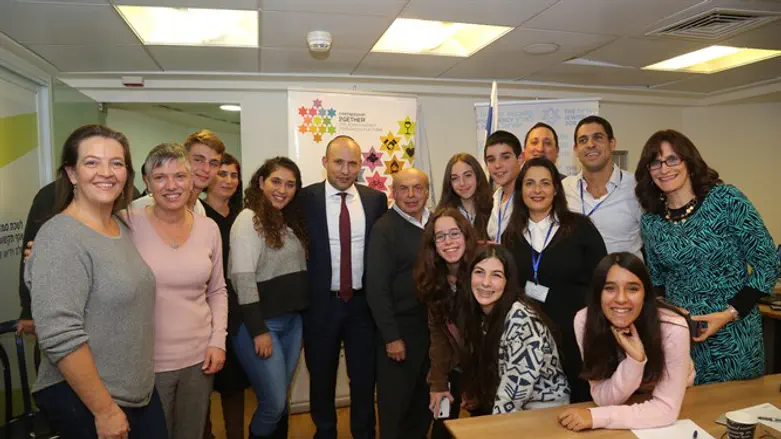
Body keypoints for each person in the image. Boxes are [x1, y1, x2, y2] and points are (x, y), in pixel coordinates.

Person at [25, 124, 167, 438]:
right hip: (89, 399)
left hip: (136, 391)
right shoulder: (60, 237)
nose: (106, 172)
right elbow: (60, 334)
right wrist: (104, 411)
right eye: (92, 162)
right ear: (72, 173)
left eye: (116, 163)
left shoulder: (120, 226)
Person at [635, 129, 780, 384]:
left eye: (672, 159)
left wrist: (729, 313)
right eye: (655, 162)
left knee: (735, 414)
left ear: (689, 162)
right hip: (682, 337)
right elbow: (656, 279)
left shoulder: (726, 200)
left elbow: (767, 262)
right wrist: (665, 311)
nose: (664, 169)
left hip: (733, 334)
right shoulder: (652, 221)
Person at [129, 143, 228, 439]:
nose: (171, 186)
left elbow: (218, 290)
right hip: (147, 362)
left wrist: (218, 340)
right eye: (160, 177)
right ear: (147, 183)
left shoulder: (209, 228)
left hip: (200, 361)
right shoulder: (126, 224)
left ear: (191, 180)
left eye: (179, 176)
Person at [300, 135, 387, 439]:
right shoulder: (303, 199)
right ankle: (325, 433)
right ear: (325, 162)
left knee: (364, 378)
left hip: (363, 306)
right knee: (320, 377)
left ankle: (364, 433)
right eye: (338, 162)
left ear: (360, 165)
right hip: (321, 305)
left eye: (352, 163)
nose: (345, 170)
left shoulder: (375, 200)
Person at [503, 157, 607, 403]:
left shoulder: (580, 227)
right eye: (529, 183)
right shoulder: (511, 235)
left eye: (545, 183)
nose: (537, 190)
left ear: (556, 189)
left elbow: (602, 280)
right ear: (521, 191)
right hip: (531, 339)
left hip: (576, 337)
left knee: (580, 404)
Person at [558, 252, 695, 431]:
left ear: (645, 294)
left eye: (632, 288)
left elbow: (666, 409)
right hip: (625, 402)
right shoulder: (584, 320)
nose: (621, 299)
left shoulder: (674, 327)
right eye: (610, 288)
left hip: (675, 399)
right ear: (598, 293)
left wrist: (596, 417)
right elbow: (603, 398)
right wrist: (634, 361)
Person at [229, 157, 310, 439]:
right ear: (261, 182)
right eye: (276, 181)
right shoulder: (247, 220)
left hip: (291, 324)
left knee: (280, 403)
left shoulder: (286, 221)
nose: (282, 190)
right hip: (262, 326)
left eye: (290, 184)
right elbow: (243, 278)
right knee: (273, 404)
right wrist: (258, 329)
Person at [460, 244, 570, 414]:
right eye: (479, 272)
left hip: (544, 412)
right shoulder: (479, 313)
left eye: (496, 275)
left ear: (508, 281)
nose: (485, 282)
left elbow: (513, 396)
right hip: (509, 409)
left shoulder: (522, 321)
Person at [367, 168, 432, 439]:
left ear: (427, 192)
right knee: (395, 409)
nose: (411, 195)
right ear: (393, 193)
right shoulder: (385, 228)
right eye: (403, 189)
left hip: (432, 331)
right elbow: (376, 288)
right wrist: (391, 337)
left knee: (423, 405)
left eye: (417, 188)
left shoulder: (436, 224)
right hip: (400, 333)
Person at [412, 207, 477, 439]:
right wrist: (438, 384)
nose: (448, 241)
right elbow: (438, 337)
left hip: (488, 368)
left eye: (454, 233)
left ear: (466, 236)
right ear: (433, 244)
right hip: (456, 366)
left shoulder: (482, 273)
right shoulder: (434, 280)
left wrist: (473, 384)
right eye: (441, 236)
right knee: (442, 428)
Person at [203, 153, 249, 439]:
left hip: (237, 311)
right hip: (203, 312)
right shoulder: (195, 215)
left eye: (234, 175)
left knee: (234, 384)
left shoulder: (242, 217)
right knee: (202, 389)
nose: (229, 180)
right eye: (222, 174)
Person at [563, 116, 643, 257]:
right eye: (583, 140)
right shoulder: (564, 189)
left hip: (624, 277)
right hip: (578, 278)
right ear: (576, 149)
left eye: (598, 138)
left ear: (612, 143)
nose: (590, 145)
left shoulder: (637, 187)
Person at [132, 129, 225, 215]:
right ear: (184, 159)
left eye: (213, 163)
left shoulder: (199, 210)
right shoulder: (140, 209)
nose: (206, 169)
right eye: (198, 160)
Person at [436, 153, 492, 240]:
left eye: (468, 175)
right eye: (455, 178)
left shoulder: (494, 208)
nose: (462, 183)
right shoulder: (443, 215)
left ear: (478, 176)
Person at [484, 130, 524, 243]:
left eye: (505, 157)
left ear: (520, 158)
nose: (497, 165)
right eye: (491, 160)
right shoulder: (496, 196)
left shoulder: (531, 197)